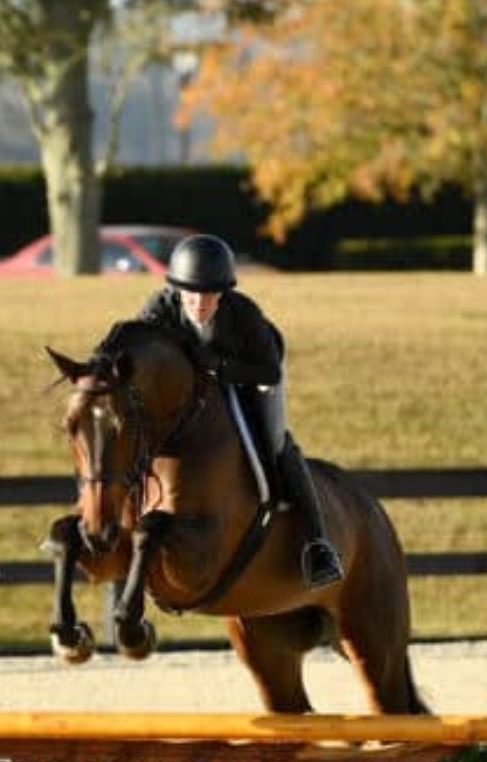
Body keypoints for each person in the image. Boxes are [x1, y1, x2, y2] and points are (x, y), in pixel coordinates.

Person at [136, 234, 345, 590]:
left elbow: (268, 372)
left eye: (209, 295)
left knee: (275, 442)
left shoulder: (244, 314)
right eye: (191, 294)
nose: (199, 304)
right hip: (191, 389)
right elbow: (137, 349)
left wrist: (217, 366)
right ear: (176, 290)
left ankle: (317, 543)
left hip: (251, 377)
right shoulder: (159, 308)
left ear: (223, 292)